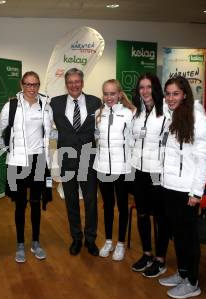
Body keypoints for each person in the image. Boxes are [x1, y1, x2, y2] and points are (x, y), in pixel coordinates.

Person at [158, 76, 206, 299]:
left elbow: (203, 159)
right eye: (168, 93)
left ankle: (192, 282)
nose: (171, 98)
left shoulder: (197, 120)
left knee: (188, 238)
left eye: (175, 93)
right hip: (169, 186)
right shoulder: (172, 116)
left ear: (185, 95)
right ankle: (182, 273)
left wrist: (196, 192)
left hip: (187, 191)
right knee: (178, 236)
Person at [0, 71, 52, 263]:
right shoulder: (11, 106)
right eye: (28, 84)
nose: (32, 88)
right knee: (20, 205)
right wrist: (8, 149)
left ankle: (36, 242)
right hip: (18, 163)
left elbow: (48, 131)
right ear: (22, 85)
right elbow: (0, 130)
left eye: (35, 84)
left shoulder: (45, 105)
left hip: (38, 160)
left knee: (36, 204)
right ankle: (20, 244)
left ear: (39, 86)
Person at [50, 68, 101, 256]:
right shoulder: (55, 103)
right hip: (67, 158)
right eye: (70, 82)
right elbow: (44, 124)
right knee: (70, 200)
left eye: (77, 81)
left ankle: (90, 239)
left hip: (88, 157)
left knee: (90, 201)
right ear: (66, 84)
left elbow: (102, 127)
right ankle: (76, 238)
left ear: (82, 82)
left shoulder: (95, 102)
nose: (74, 85)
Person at [130, 73, 170, 277]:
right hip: (138, 170)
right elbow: (133, 140)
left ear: (155, 89)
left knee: (161, 217)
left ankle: (160, 258)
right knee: (142, 213)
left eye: (148, 87)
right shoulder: (136, 113)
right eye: (141, 87)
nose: (145, 91)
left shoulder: (166, 114)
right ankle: (147, 254)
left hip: (157, 172)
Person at [93, 79, 135, 261]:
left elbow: (134, 141)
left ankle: (120, 244)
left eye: (112, 93)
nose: (109, 97)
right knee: (108, 205)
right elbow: (97, 138)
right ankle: (109, 241)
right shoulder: (98, 113)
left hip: (122, 168)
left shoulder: (129, 114)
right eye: (106, 93)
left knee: (122, 207)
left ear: (119, 94)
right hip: (102, 167)